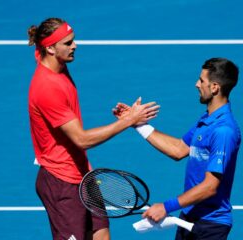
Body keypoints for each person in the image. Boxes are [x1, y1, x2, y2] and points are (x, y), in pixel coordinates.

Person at [27, 17, 159, 240]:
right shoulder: (47, 87)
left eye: (73, 40)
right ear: (50, 48)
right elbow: (81, 139)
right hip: (61, 182)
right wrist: (129, 120)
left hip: (82, 173)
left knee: (101, 235)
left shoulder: (57, 64)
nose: (75, 46)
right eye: (68, 43)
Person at [113, 58, 241, 240]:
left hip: (210, 225)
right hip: (190, 215)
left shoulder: (223, 131)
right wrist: (137, 124)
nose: (197, 84)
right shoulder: (207, 120)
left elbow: (210, 187)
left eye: (201, 80)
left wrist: (166, 207)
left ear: (214, 87)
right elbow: (178, 149)